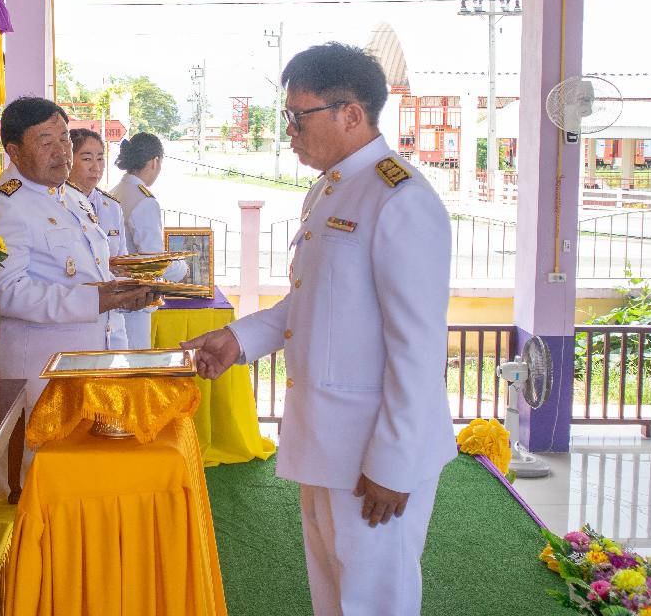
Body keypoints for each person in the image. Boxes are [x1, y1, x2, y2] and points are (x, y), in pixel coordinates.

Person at [182, 43, 456, 616]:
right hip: (328, 438)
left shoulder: (399, 198)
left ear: (350, 114)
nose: (289, 131)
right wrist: (238, 339)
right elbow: (312, 304)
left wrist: (393, 462)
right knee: (333, 591)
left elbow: (419, 349)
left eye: (297, 116)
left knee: (375, 599)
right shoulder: (330, 189)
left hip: (372, 450)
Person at [0, 97, 154, 408]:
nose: (62, 151)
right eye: (46, 142)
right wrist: (96, 300)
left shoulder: (71, 195)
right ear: (14, 152)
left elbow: (92, 271)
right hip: (44, 377)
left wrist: (123, 293)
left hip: (96, 363)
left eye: (64, 138)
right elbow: (7, 293)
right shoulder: (4, 205)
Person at [111, 132, 188, 348]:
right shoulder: (144, 201)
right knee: (135, 360)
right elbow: (153, 262)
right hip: (136, 299)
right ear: (155, 162)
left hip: (114, 294)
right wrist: (182, 268)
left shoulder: (114, 192)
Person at [67, 127, 129, 349]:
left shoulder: (111, 206)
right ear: (68, 159)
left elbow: (122, 260)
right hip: (76, 318)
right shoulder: (57, 204)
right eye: (86, 158)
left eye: (100, 158)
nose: (96, 167)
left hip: (114, 322)